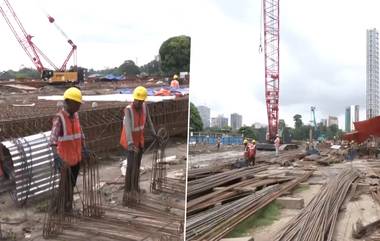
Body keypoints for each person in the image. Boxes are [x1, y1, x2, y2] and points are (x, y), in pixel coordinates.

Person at [50, 87, 88, 212]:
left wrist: (84, 148)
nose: (78, 107)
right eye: (76, 104)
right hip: (65, 161)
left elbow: (80, 134)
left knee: (71, 185)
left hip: (76, 158)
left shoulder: (76, 115)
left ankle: (67, 207)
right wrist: (56, 156)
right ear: (68, 102)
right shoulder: (59, 118)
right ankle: (60, 209)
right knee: (65, 186)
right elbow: (53, 140)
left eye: (79, 104)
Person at [120, 86, 156, 205]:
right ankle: (127, 191)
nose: (138, 103)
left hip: (139, 140)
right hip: (129, 140)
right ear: (134, 98)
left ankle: (135, 187)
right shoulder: (128, 110)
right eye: (137, 100)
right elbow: (128, 127)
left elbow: (148, 120)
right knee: (130, 166)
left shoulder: (144, 107)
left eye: (140, 101)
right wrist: (130, 143)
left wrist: (154, 133)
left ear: (143, 101)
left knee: (137, 165)